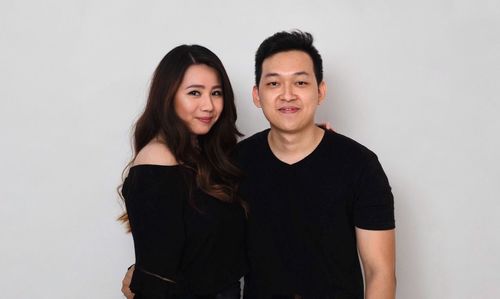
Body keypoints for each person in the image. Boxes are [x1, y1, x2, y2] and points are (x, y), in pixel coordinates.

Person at [123, 31, 396, 299]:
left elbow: (379, 272)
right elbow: (177, 233)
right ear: (256, 95)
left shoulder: (359, 165)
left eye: (300, 83)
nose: (287, 95)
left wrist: (328, 151)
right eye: (274, 83)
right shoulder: (234, 163)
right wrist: (144, 278)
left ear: (320, 91)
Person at [118, 44, 247, 299]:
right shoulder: (158, 161)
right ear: (168, 96)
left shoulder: (209, 155)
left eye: (216, 93)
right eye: (194, 93)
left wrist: (303, 138)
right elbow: (158, 275)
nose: (208, 105)